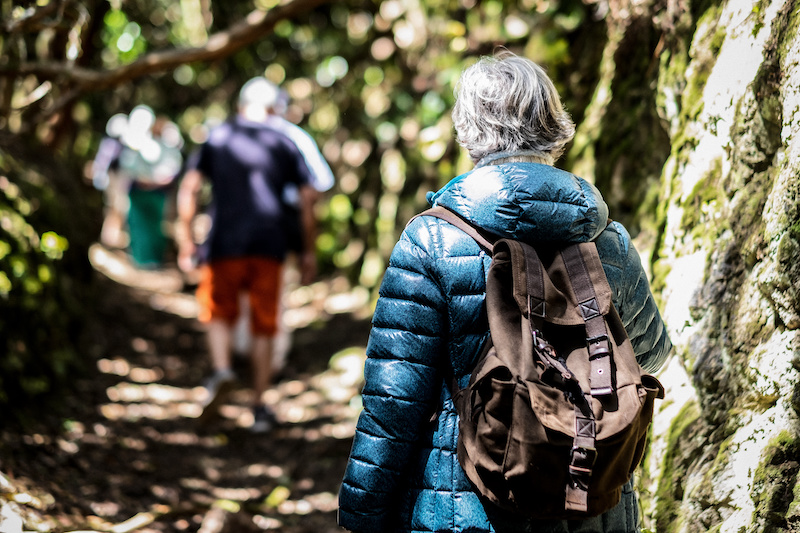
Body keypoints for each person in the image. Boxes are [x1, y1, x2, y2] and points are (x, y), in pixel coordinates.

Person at [337, 51, 672, 532]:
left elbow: (395, 403)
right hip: (588, 502)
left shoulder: (432, 240)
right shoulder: (607, 238)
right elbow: (651, 354)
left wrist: (362, 514)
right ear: (553, 123)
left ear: (468, 129)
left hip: (468, 504)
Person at [175, 78, 318, 434]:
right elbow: (307, 199)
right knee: (264, 324)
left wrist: (186, 240)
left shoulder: (218, 137)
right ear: (272, 109)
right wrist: (308, 251)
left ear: (241, 105)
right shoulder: (284, 142)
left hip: (224, 242)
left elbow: (189, 188)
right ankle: (258, 403)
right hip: (270, 245)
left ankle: (223, 370)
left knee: (217, 313)